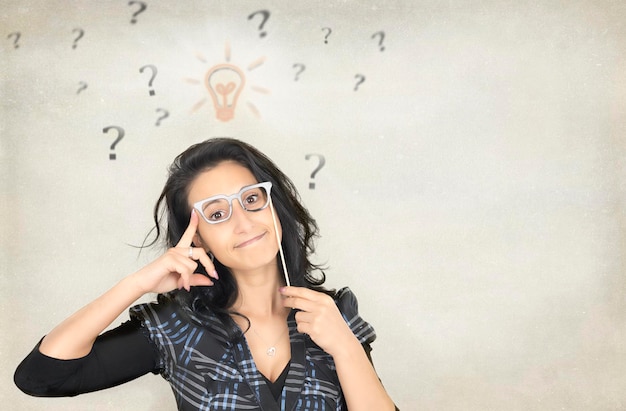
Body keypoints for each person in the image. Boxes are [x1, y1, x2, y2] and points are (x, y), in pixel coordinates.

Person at [14, 137, 397, 410]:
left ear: (275, 207)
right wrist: (137, 284)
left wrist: (346, 348)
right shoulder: (177, 328)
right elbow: (42, 377)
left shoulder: (332, 315)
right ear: (200, 240)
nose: (244, 222)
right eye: (217, 214)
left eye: (251, 199)